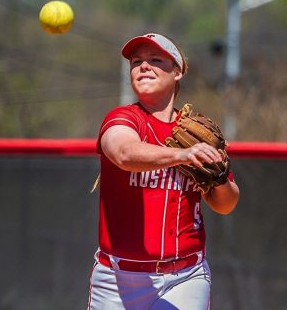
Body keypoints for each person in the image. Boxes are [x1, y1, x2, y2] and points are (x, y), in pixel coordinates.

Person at [87, 33, 240, 310]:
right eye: (136, 62)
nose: (144, 66)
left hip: (184, 278)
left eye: (155, 60)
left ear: (177, 72)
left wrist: (218, 178)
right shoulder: (122, 119)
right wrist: (180, 155)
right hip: (118, 280)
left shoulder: (197, 134)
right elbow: (123, 153)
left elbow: (226, 204)